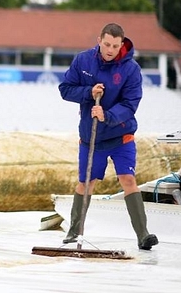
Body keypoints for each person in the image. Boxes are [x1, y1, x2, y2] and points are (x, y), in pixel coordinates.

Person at [58, 23, 158, 250]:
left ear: (122, 44)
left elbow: (131, 104)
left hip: (121, 136)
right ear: (99, 40)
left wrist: (107, 115)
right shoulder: (83, 60)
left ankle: (143, 235)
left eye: (115, 45)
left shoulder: (131, 69)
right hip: (91, 138)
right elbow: (65, 89)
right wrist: (89, 92)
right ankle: (74, 232)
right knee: (86, 182)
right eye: (106, 44)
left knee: (128, 180)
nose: (110, 49)